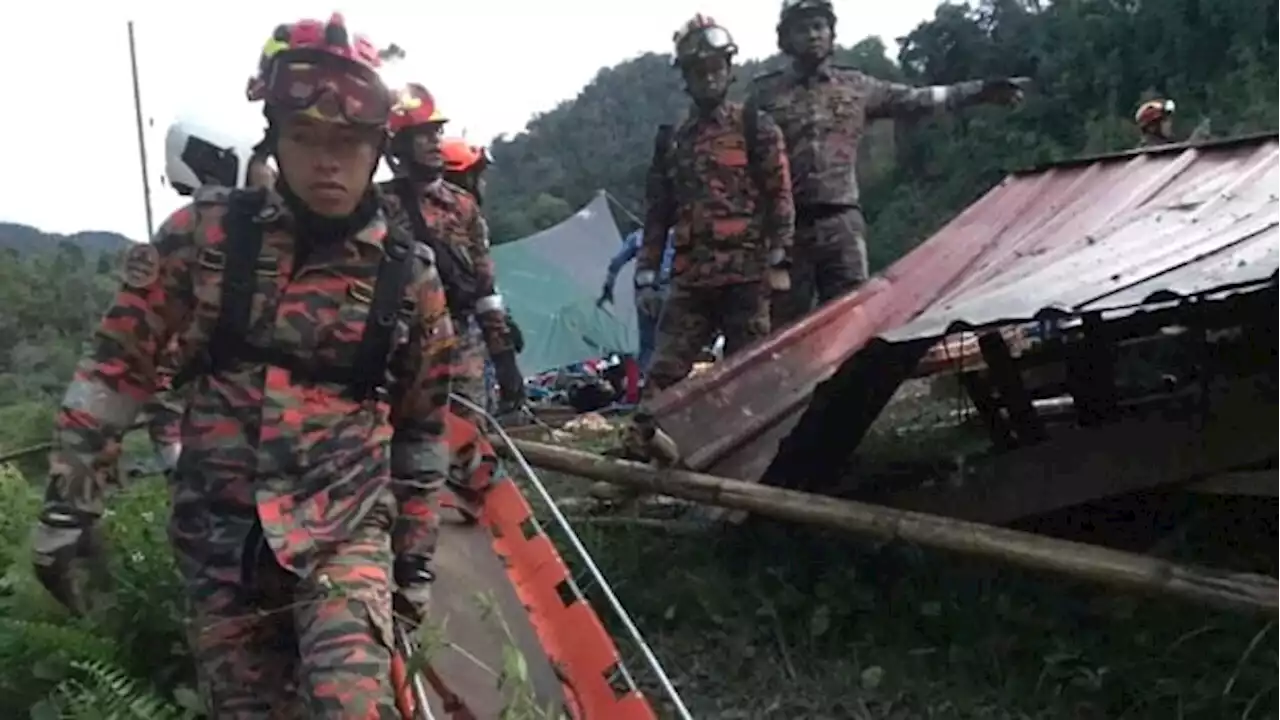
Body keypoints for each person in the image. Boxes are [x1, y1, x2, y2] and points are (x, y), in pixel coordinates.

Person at [32, 13, 456, 716]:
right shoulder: (201, 240)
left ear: (378, 148)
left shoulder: (407, 279)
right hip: (220, 544)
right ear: (274, 141)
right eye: (306, 138)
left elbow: (422, 429)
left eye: (347, 142)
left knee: (354, 707)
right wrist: (66, 509)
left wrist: (412, 566)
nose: (327, 161)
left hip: (342, 532)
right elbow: (114, 373)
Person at [750, 0, 1028, 328]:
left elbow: (919, 99)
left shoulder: (856, 87)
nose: (812, 35)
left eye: (819, 26)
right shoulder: (765, 96)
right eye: (802, 28)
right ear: (787, 38)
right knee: (783, 332)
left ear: (831, 32)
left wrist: (980, 91)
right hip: (787, 233)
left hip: (841, 223)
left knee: (852, 322)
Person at [639, 15, 795, 392]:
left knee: (751, 376)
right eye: (698, 70)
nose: (708, 77)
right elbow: (658, 214)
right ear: (686, 77)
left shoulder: (754, 126)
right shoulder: (673, 140)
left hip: (747, 276)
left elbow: (780, 196)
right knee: (662, 376)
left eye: (715, 68)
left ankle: (757, 449)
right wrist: (646, 278)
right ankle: (646, 447)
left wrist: (780, 260)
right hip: (692, 281)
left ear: (728, 69)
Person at [146, 119, 278, 474]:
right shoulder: (190, 245)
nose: (270, 176)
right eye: (261, 165)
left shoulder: (276, 244)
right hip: (218, 457)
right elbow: (158, 362)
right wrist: (171, 450)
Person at [596, 227, 674, 372]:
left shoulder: (640, 236)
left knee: (647, 343)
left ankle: (643, 382)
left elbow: (616, 263)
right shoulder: (683, 235)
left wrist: (608, 289)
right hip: (670, 291)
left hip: (646, 291)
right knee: (669, 342)